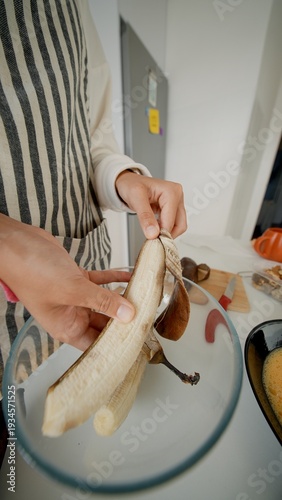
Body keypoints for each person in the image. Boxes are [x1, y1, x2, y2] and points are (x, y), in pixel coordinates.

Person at [0, 0, 187, 392]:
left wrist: (123, 178)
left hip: (87, 273)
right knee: (16, 436)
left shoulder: (71, 7)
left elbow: (92, 137)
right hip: (6, 325)